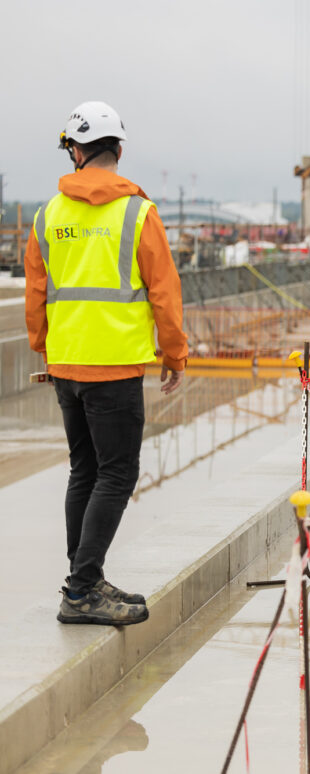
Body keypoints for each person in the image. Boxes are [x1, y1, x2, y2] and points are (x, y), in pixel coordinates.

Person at [25, 101, 187, 625]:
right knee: (116, 474)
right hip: (114, 366)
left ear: (75, 151)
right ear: (118, 150)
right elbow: (164, 290)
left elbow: (36, 293)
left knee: (85, 471)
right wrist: (174, 352)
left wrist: (44, 348)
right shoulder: (138, 212)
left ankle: (86, 578)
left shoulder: (47, 214)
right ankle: (80, 591)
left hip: (67, 365)